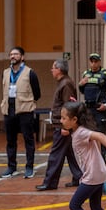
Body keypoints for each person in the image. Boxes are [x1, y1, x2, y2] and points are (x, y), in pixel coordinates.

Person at [35, 59, 83, 191]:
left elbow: (69, 106)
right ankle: (79, 177)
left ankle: (50, 182)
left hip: (62, 126)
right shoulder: (63, 83)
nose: (51, 70)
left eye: (53, 68)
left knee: (56, 155)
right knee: (70, 153)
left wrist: (65, 127)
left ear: (59, 70)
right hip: (62, 124)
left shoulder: (66, 84)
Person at [0, 46, 41, 178]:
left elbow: (37, 93)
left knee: (28, 140)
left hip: (25, 111)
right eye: (11, 54)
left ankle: (29, 167)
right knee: (10, 140)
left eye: (16, 54)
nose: (13, 56)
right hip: (9, 110)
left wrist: (27, 102)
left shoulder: (30, 73)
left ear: (22, 57)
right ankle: (11, 167)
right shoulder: (5, 72)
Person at [78, 53, 106, 162]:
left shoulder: (105, 74)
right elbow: (82, 91)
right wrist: (80, 85)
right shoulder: (86, 73)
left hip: (100, 109)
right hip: (88, 109)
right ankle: (91, 161)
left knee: (101, 134)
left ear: (99, 62)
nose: (93, 64)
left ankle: (102, 162)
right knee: (89, 134)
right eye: (92, 61)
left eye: (96, 61)